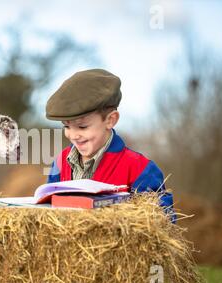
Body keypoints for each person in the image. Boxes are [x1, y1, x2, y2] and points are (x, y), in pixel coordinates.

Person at [46, 69, 175, 222]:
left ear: (110, 120)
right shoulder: (60, 162)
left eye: (82, 127)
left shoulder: (139, 169)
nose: (73, 135)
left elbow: (162, 219)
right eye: (66, 127)